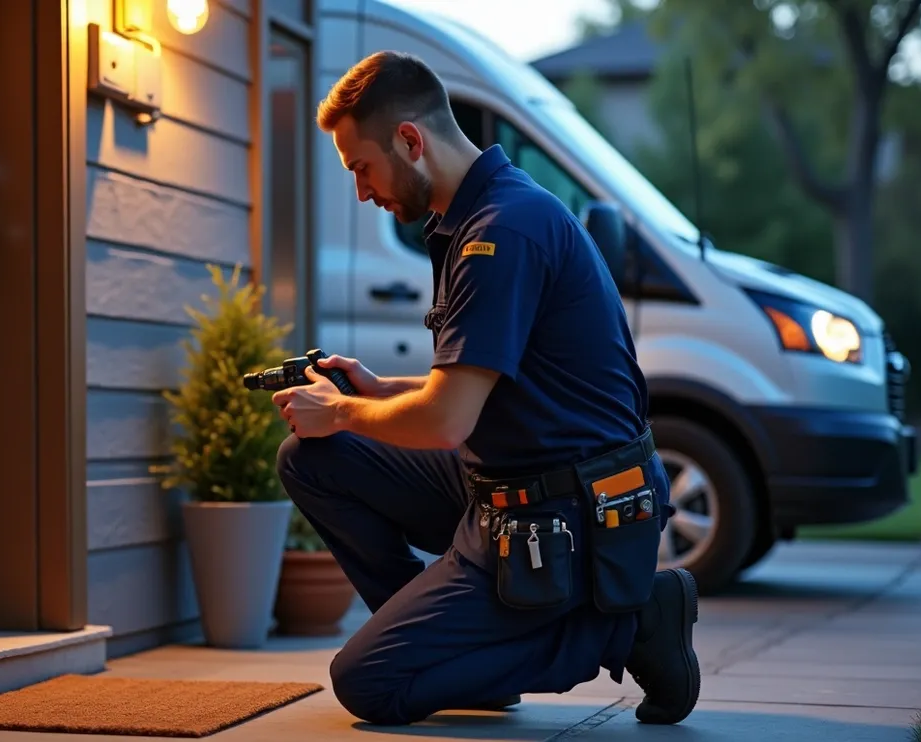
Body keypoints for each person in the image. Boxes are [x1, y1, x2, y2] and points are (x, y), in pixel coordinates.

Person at [271, 50, 700, 728]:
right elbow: (475, 383)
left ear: (410, 141)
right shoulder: (468, 220)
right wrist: (380, 390)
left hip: (568, 512)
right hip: (501, 484)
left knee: (369, 683)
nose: (360, 190)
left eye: (362, 167)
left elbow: (445, 421)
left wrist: (346, 412)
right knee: (311, 460)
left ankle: (634, 623)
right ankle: (468, 646)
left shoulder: (502, 232)